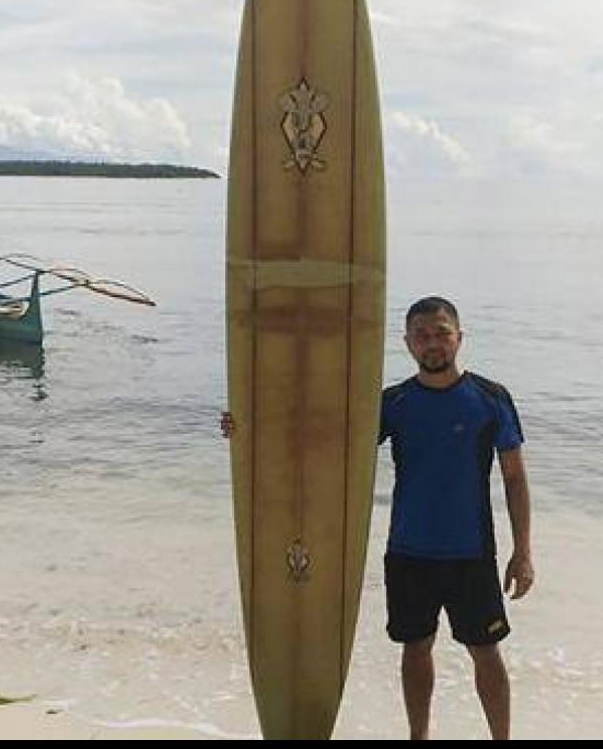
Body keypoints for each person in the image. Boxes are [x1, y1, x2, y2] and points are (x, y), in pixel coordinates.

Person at [221, 295, 534, 740]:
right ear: (406, 343)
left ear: (459, 337)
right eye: (422, 335)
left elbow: (515, 477)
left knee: (486, 651)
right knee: (415, 647)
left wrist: (523, 553)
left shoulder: (490, 399)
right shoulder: (392, 403)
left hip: (472, 552)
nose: (433, 343)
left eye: (441, 333)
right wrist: (247, 427)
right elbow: (323, 442)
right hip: (409, 551)